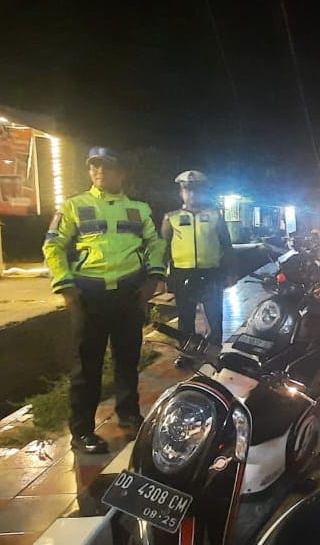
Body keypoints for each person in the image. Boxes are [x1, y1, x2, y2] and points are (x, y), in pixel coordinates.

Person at [42, 147, 165, 454]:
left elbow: (155, 243)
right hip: (89, 295)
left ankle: (129, 415)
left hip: (128, 294)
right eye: (94, 166)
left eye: (106, 167)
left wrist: (152, 278)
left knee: (127, 360)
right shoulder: (74, 206)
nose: (99, 172)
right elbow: (53, 246)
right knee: (86, 366)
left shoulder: (138, 209)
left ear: (121, 173)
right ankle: (82, 430)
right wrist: (66, 286)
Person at [161, 170, 236, 346]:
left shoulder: (215, 216)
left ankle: (214, 352)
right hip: (182, 274)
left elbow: (227, 246)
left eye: (197, 190)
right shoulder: (171, 218)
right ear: (181, 192)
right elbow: (163, 249)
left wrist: (231, 273)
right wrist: (160, 276)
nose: (192, 194)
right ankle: (187, 352)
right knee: (185, 318)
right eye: (187, 190)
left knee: (215, 318)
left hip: (211, 274)